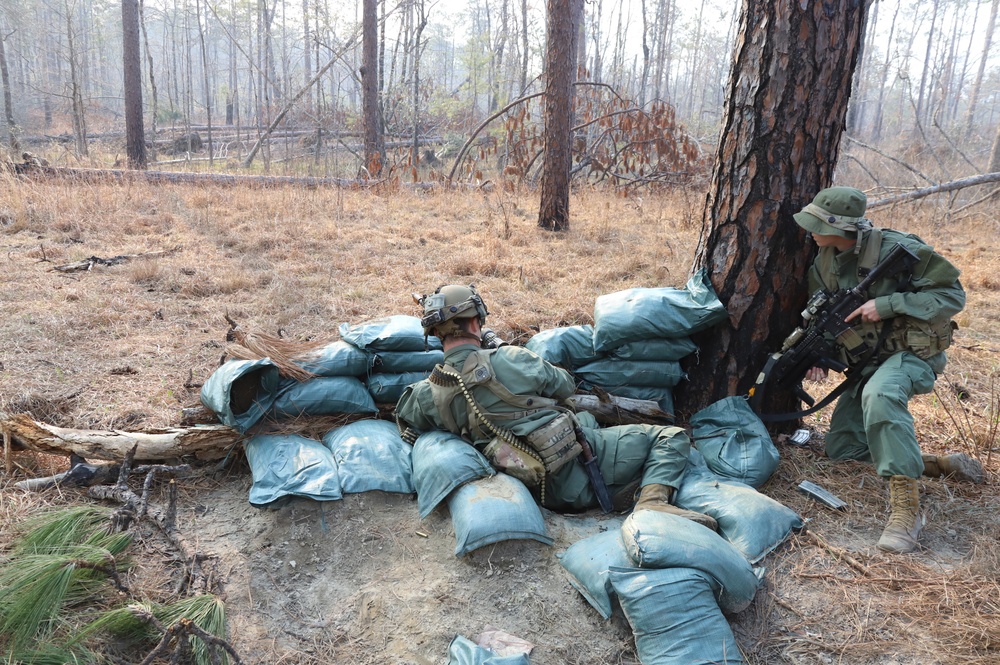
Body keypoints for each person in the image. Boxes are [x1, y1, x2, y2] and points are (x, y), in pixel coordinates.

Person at [395, 284, 716, 529]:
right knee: (670, 437)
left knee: (588, 418)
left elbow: (406, 418)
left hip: (533, 488)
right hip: (575, 473)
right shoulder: (511, 359)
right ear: (476, 324)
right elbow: (563, 384)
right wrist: (508, 354)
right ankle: (652, 505)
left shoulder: (428, 394)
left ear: (436, 333)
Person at [793, 186, 981, 554]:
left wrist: (890, 303)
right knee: (844, 448)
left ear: (842, 227)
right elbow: (826, 316)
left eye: (816, 223)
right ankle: (933, 464)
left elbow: (952, 297)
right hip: (867, 360)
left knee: (881, 396)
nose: (809, 230)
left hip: (909, 354)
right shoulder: (824, 260)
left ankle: (907, 512)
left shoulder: (899, 249)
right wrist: (818, 354)